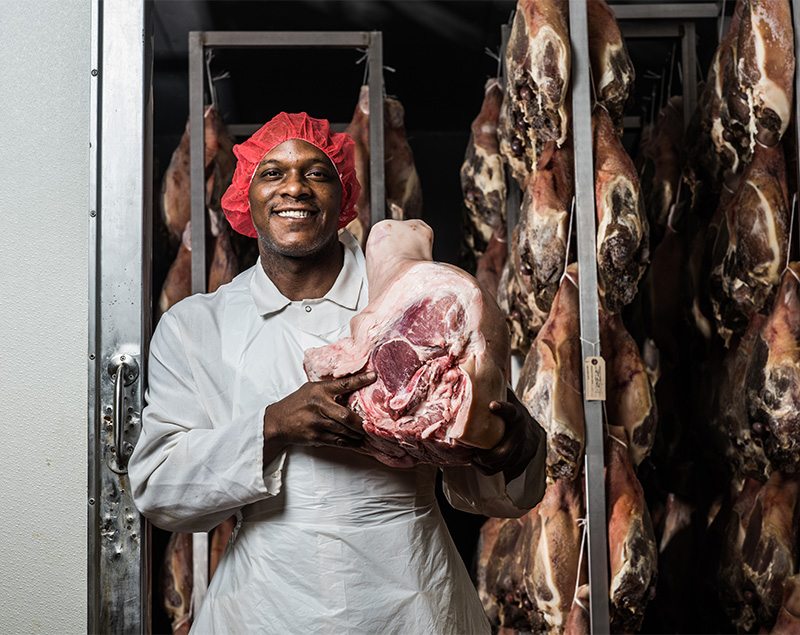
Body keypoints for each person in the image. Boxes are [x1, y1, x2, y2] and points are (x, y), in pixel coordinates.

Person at [129, 112, 546, 634]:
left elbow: (494, 489)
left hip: (411, 598)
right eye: (272, 173)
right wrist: (273, 427)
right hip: (266, 605)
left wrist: (514, 447)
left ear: (343, 194)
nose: (295, 188)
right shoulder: (197, 327)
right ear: (245, 197)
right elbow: (159, 489)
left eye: (317, 173)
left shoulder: (414, 300)